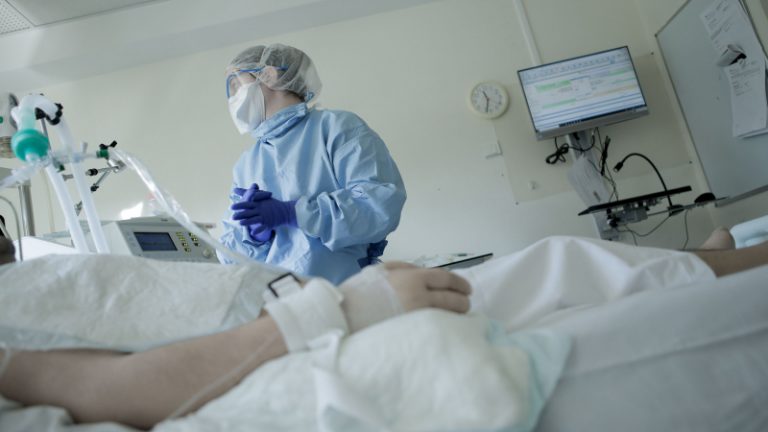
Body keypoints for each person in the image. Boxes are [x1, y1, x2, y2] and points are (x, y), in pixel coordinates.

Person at [0, 228, 766, 429]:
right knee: (563, 272)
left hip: (302, 309)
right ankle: (713, 264)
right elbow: (107, 385)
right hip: (298, 335)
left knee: (558, 261)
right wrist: (343, 307)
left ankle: (709, 260)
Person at [218, 43, 407, 284]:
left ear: (269, 75)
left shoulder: (338, 128)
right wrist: (254, 236)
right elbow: (230, 258)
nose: (233, 97)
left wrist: (294, 213)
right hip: (285, 297)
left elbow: (379, 207)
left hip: (348, 288)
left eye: (236, 84)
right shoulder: (246, 165)